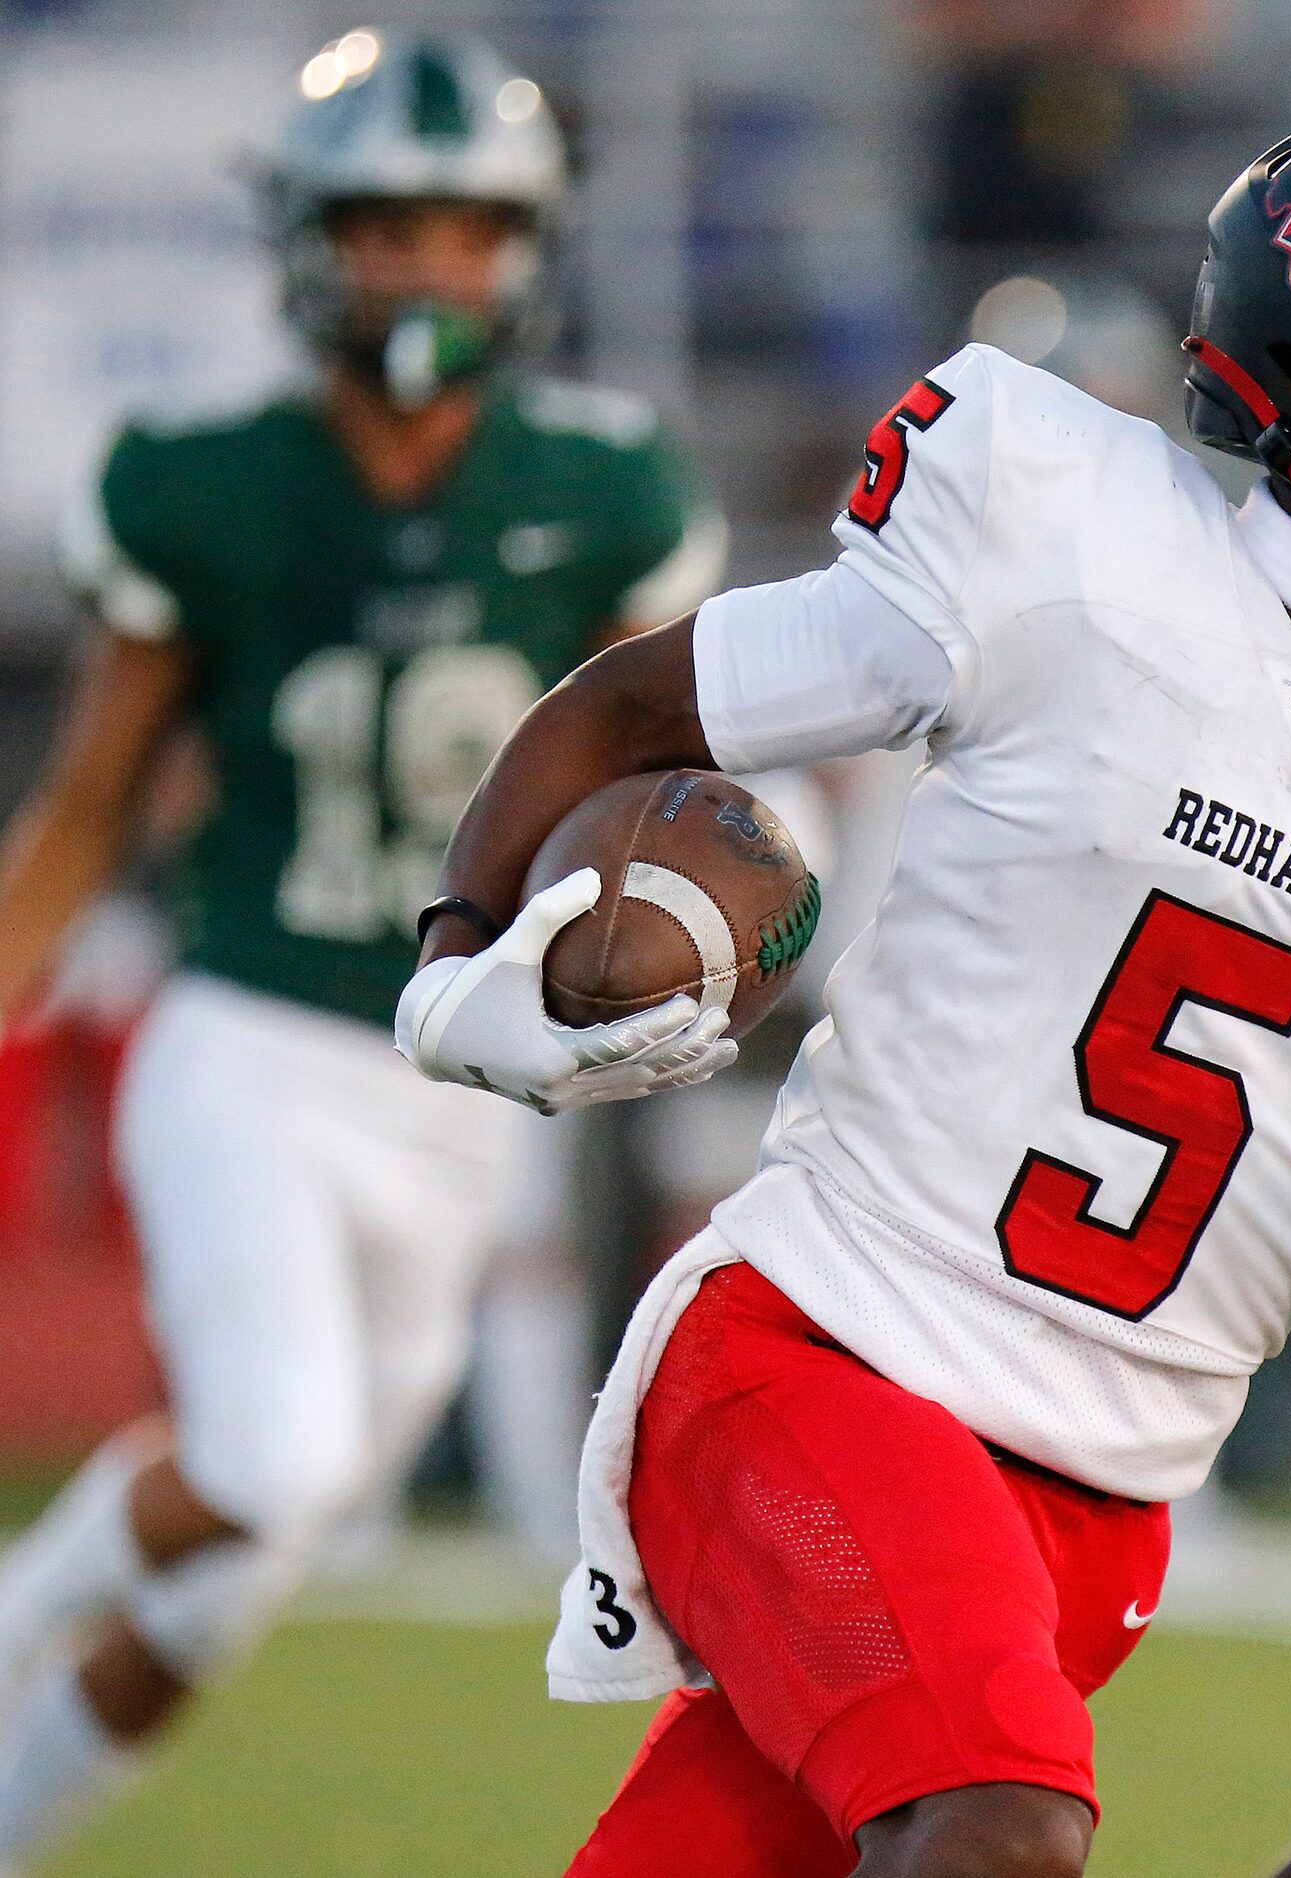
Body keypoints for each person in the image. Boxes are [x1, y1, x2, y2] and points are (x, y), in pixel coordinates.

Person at [398, 105, 1291, 1876]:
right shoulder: (1067, 540)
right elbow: (628, 713)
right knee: (998, 1832)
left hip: (1102, 1501)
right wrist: (454, 963)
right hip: (828, 1347)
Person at [0, 31, 723, 1871]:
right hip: (247, 1034)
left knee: (224, 1596)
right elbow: (88, 806)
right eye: (383, 225)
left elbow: (678, 788)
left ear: (525, 249)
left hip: (461, 1093)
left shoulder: (607, 485)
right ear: (311, 242)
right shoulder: (203, 478)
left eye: (461, 230)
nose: (422, 268)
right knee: (271, 1456)